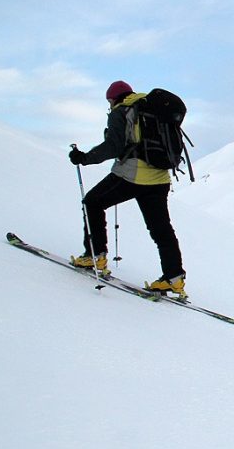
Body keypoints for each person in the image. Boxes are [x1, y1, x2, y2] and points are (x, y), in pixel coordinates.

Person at [69, 80, 187, 297]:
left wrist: (84, 158)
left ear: (114, 98)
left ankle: (95, 255)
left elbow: (114, 145)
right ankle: (174, 278)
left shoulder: (122, 111)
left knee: (92, 202)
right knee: (161, 229)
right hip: (160, 179)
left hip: (132, 176)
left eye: (109, 101)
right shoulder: (151, 108)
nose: (109, 104)